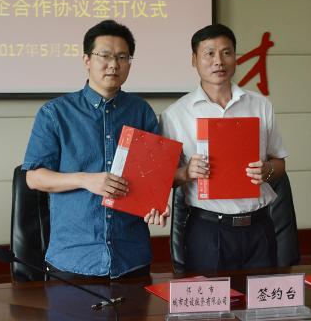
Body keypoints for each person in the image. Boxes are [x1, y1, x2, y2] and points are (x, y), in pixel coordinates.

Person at [22, 20, 168, 279]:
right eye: (105, 55)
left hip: (131, 256)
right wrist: (85, 179)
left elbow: (151, 178)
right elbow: (34, 178)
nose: (114, 64)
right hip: (74, 257)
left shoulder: (141, 111)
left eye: (122, 57)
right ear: (86, 60)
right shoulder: (55, 113)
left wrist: (156, 204)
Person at [160, 23, 288, 273]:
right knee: (211, 298)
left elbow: (280, 164)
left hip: (259, 227)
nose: (218, 61)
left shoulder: (260, 105)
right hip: (208, 230)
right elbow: (164, 179)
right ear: (194, 60)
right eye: (209, 53)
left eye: (226, 52)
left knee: (261, 296)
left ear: (235, 57)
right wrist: (187, 172)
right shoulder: (175, 115)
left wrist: (267, 170)